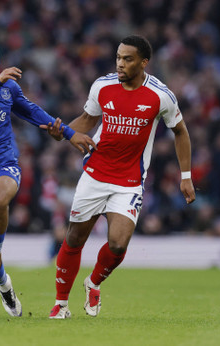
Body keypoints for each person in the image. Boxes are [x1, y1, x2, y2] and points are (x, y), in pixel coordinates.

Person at [43, 35, 196, 319]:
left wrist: (185, 176)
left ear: (143, 62)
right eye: (118, 58)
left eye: (127, 59)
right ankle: (61, 304)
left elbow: (181, 131)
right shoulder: (102, 86)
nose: (120, 64)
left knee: (118, 244)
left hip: (129, 180)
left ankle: (94, 283)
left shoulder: (160, 95)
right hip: (94, 174)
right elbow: (88, 120)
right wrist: (62, 132)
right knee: (74, 238)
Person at [0, 34, 95, 317]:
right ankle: (4, 284)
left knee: (0, 197)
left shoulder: (9, 88)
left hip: (2, 163)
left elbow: (32, 112)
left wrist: (69, 133)